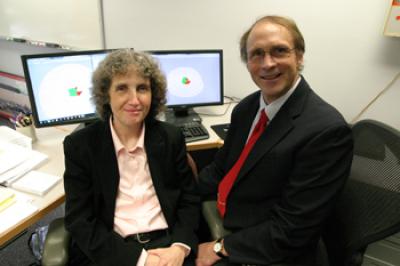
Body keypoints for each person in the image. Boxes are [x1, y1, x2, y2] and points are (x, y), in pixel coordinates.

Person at [196, 15, 353, 266]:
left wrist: (220, 246)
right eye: (257, 54)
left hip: (266, 246)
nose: (267, 63)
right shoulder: (247, 107)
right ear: (247, 63)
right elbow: (220, 168)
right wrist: (179, 197)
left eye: (279, 51)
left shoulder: (326, 131)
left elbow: (293, 229)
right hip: (234, 216)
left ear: (299, 56)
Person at [63, 49, 199, 266]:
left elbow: (189, 199)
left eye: (142, 88)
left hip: (168, 244)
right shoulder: (81, 146)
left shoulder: (170, 137)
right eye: (122, 88)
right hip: (112, 249)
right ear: (106, 95)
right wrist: (141, 260)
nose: (134, 100)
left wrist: (180, 247)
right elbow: (79, 220)